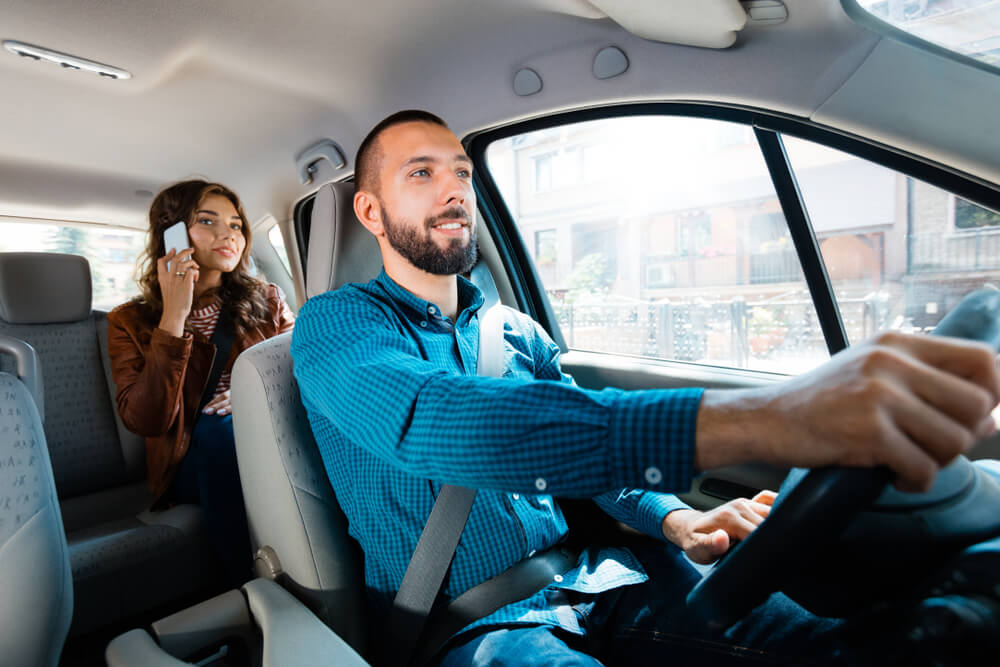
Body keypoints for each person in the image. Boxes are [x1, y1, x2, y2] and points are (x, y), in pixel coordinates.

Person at [290, 111, 1000, 665]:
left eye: (462, 172)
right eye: (420, 173)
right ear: (371, 212)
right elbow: (442, 422)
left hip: (601, 577)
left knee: (851, 644)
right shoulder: (337, 327)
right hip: (474, 627)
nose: (454, 190)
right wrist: (777, 416)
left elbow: (593, 465)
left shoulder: (513, 330)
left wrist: (675, 519)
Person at [108, 179, 295, 584]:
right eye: (207, 221)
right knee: (217, 429)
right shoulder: (128, 321)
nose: (229, 235)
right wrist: (174, 316)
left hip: (270, 433)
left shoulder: (269, 301)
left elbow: (301, 368)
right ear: (171, 235)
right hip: (193, 455)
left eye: (236, 224)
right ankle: (248, 582)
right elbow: (147, 420)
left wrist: (249, 397)